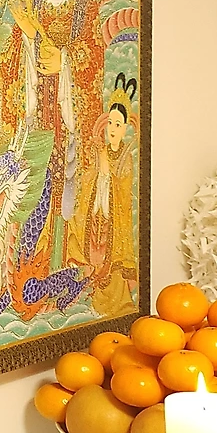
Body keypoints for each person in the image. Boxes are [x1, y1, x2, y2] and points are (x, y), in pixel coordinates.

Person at [4, 0, 122, 274]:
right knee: (35, 182)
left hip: (71, 116)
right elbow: (20, 51)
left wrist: (65, 62)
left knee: (67, 184)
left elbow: (93, 54)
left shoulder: (85, 3)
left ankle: (67, 258)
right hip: (40, 110)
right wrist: (28, 38)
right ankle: (31, 261)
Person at [69, 71, 137, 315]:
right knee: (91, 253)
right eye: (110, 122)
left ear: (126, 128)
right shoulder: (101, 150)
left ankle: (116, 301)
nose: (112, 129)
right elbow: (90, 178)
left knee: (111, 263)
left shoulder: (125, 157)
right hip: (95, 214)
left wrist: (103, 164)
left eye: (118, 124)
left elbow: (120, 186)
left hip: (113, 219)